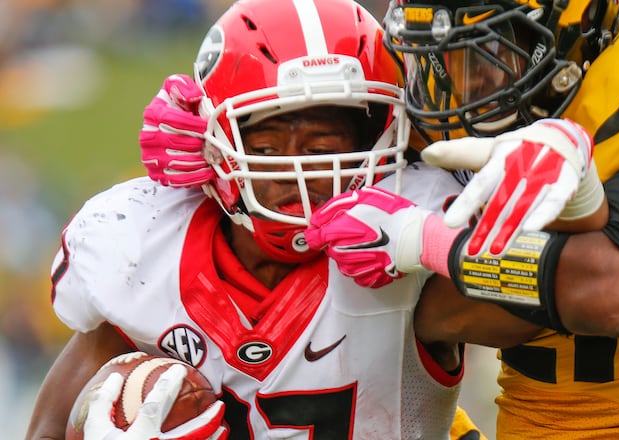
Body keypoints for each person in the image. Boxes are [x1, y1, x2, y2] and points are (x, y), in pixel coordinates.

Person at [128, 1, 619, 439]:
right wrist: (221, 117)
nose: (454, 90)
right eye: (437, 57)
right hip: (533, 423)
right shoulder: (442, 100)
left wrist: (429, 242)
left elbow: (615, 295)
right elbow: (318, 157)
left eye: (486, 55)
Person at [24, 0, 487, 439]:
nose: (297, 172)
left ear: (383, 136)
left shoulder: (412, 238)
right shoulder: (144, 247)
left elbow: (549, 305)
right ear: (210, 141)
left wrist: (439, 244)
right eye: (265, 150)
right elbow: (47, 428)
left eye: (322, 149)